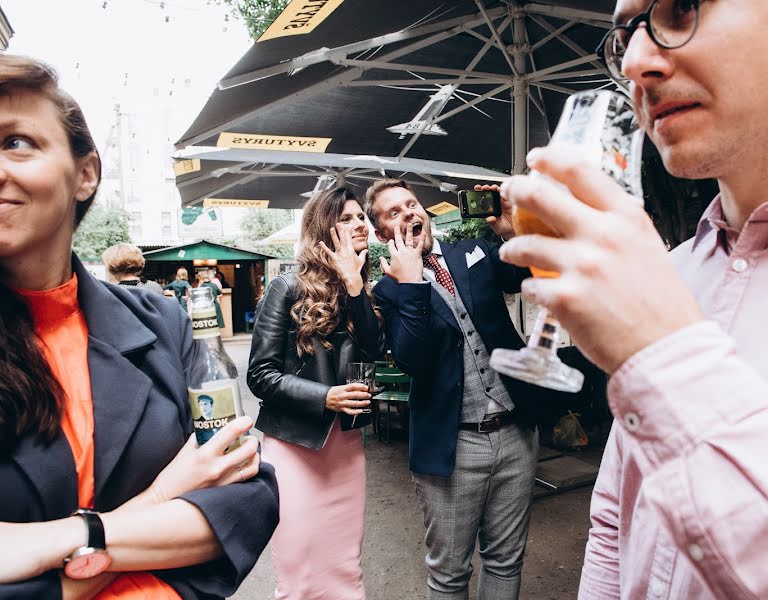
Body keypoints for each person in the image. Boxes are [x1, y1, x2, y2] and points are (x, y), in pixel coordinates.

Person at [497, 0, 768, 598]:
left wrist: (668, 361)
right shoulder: (673, 271)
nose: (634, 61)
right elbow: (615, 520)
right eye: (623, 34)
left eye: (681, 8)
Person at [0, 55, 279, 599]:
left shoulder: (161, 324)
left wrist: (56, 541)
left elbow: (246, 490)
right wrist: (160, 502)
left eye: (17, 142)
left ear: (86, 173)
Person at [366, 179, 543, 599]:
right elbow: (415, 360)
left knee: (505, 560)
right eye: (394, 212)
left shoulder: (472, 251)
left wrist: (509, 230)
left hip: (517, 431)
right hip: (454, 445)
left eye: (411, 204)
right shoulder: (386, 291)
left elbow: (526, 276)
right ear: (381, 235)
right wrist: (411, 287)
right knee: (449, 574)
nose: (409, 213)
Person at [247, 187, 385, 600]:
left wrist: (355, 284)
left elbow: (376, 349)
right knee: (301, 573)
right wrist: (325, 396)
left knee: (345, 567)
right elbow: (260, 374)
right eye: (347, 218)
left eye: (362, 216)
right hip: (295, 447)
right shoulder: (286, 287)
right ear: (324, 229)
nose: (361, 223)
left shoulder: (361, 289)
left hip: (346, 446)